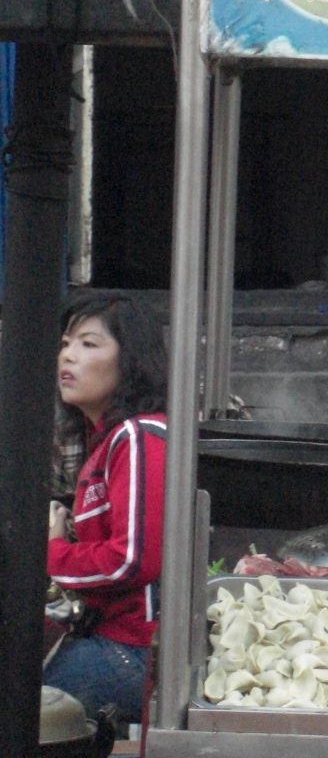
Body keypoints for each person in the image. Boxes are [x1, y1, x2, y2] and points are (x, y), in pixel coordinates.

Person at [44, 290, 167, 726]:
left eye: (89, 344)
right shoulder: (105, 443)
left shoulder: (138, 436)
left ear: (131, 360)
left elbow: (132, 560)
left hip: (133, 651)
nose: (69, 357)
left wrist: (54, 552)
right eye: (65, 344)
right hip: (109, 637)